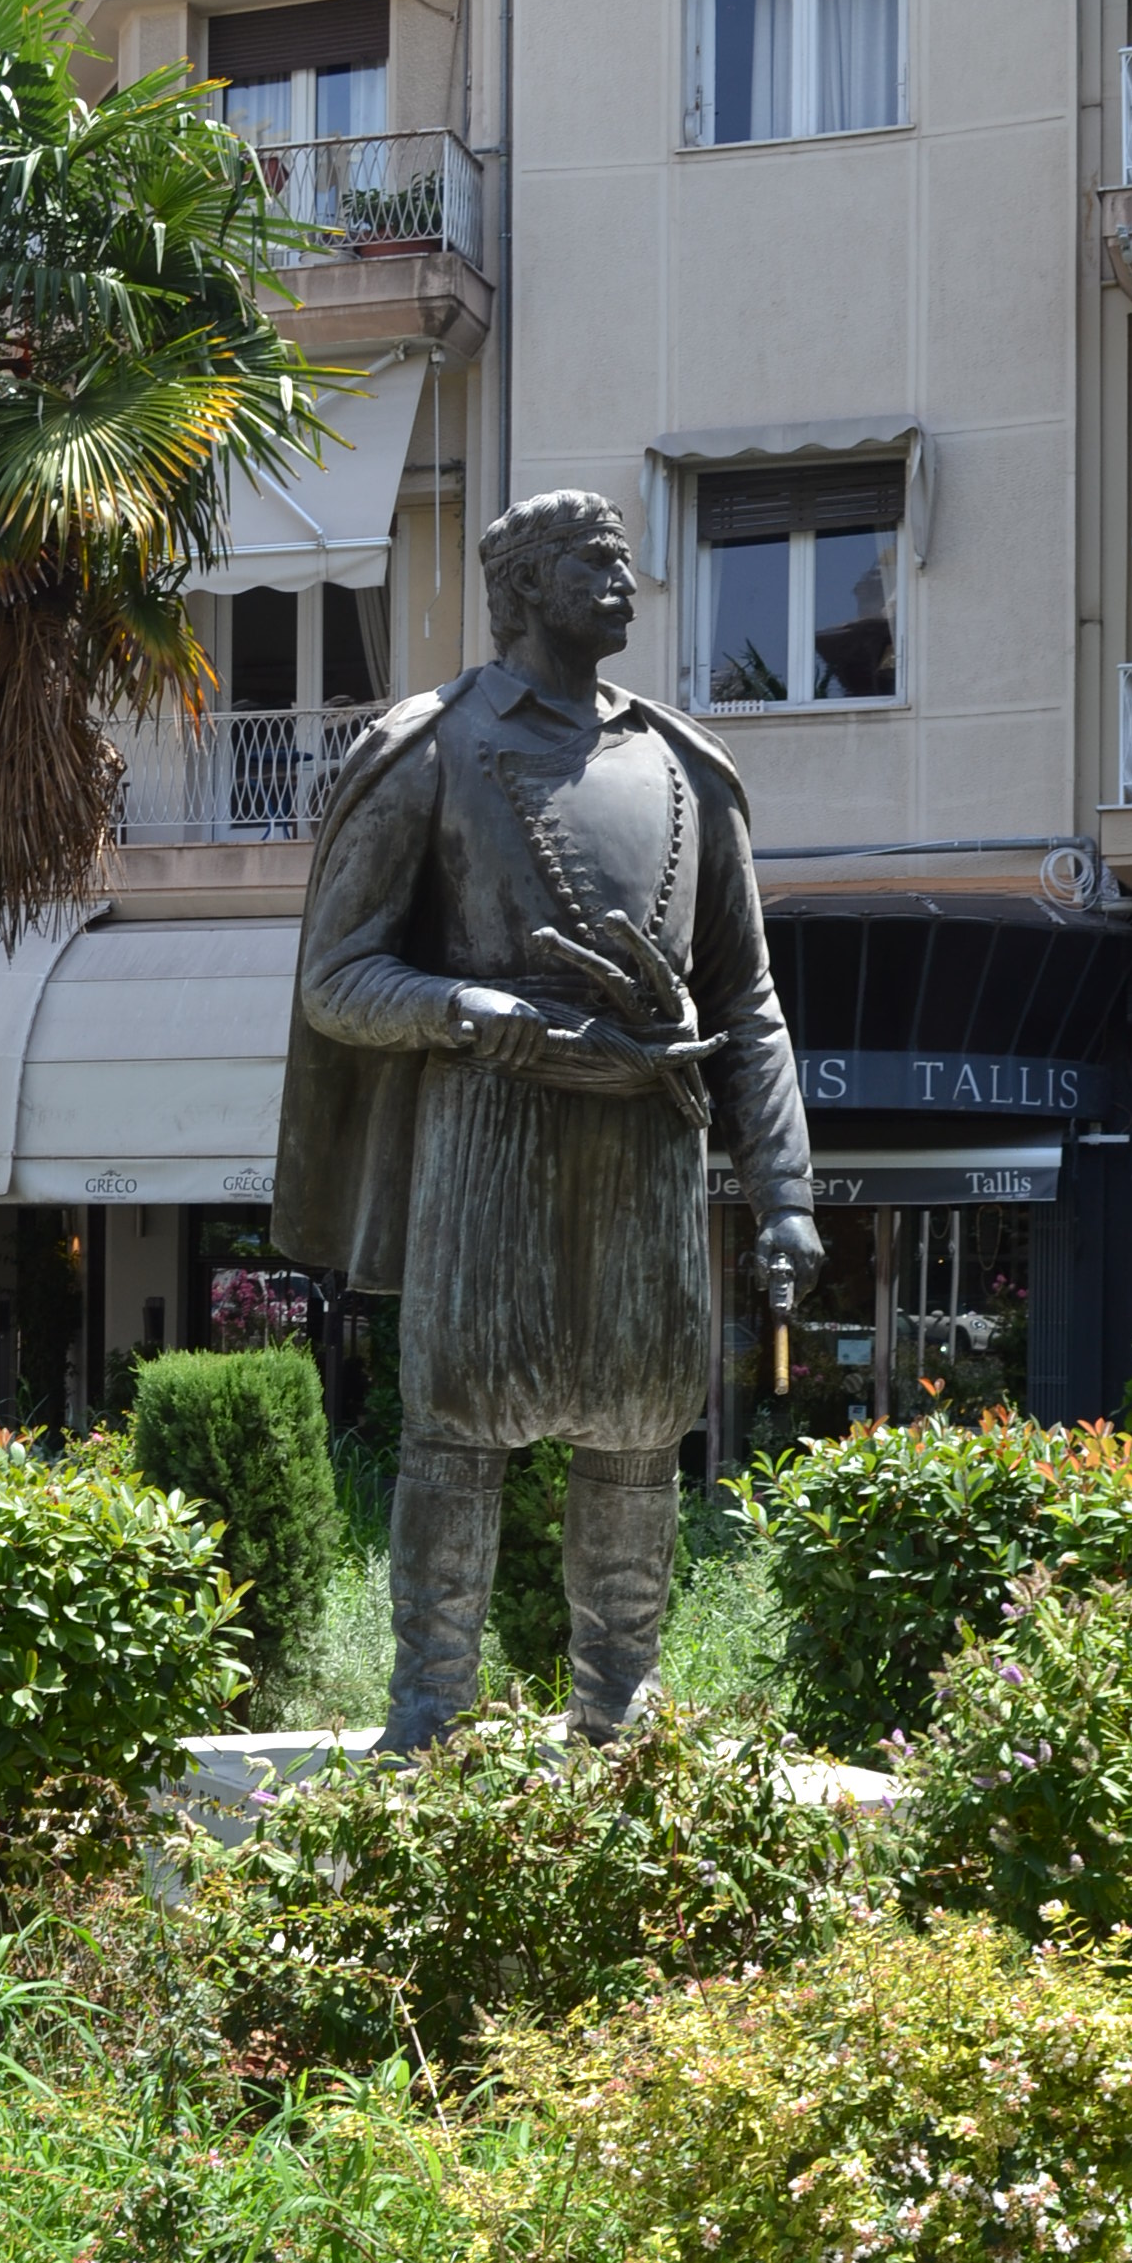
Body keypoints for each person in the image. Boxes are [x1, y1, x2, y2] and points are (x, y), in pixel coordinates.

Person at [274, 487, 822, 1748]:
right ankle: (432, 1707)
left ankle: (619, 1708)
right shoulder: (433, 747)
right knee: (457, 1426)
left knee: (640, 1429)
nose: (622, 581)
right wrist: (469, 1008)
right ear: (523, 586)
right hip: (490, 1129)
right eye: (592, 562)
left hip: (649, 1135)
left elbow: (748, 1000)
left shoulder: (688, 768)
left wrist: (785, 1195)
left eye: (624, 561)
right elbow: (337, 978)